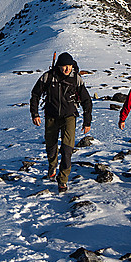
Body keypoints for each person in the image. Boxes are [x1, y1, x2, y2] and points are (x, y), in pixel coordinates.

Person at [30, 52, 93, 193]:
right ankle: (52, 166)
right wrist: (35, 114)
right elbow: (35, 95)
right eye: (64, 66)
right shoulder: (48, 77)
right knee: (51, 146)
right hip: (51, 116)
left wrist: (87, 121)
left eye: (69, 66)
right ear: (58, 66)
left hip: (69, 117)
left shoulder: (76, 79)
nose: (67, 69)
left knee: (67, 149)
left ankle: (63, 180)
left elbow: (86, 101)